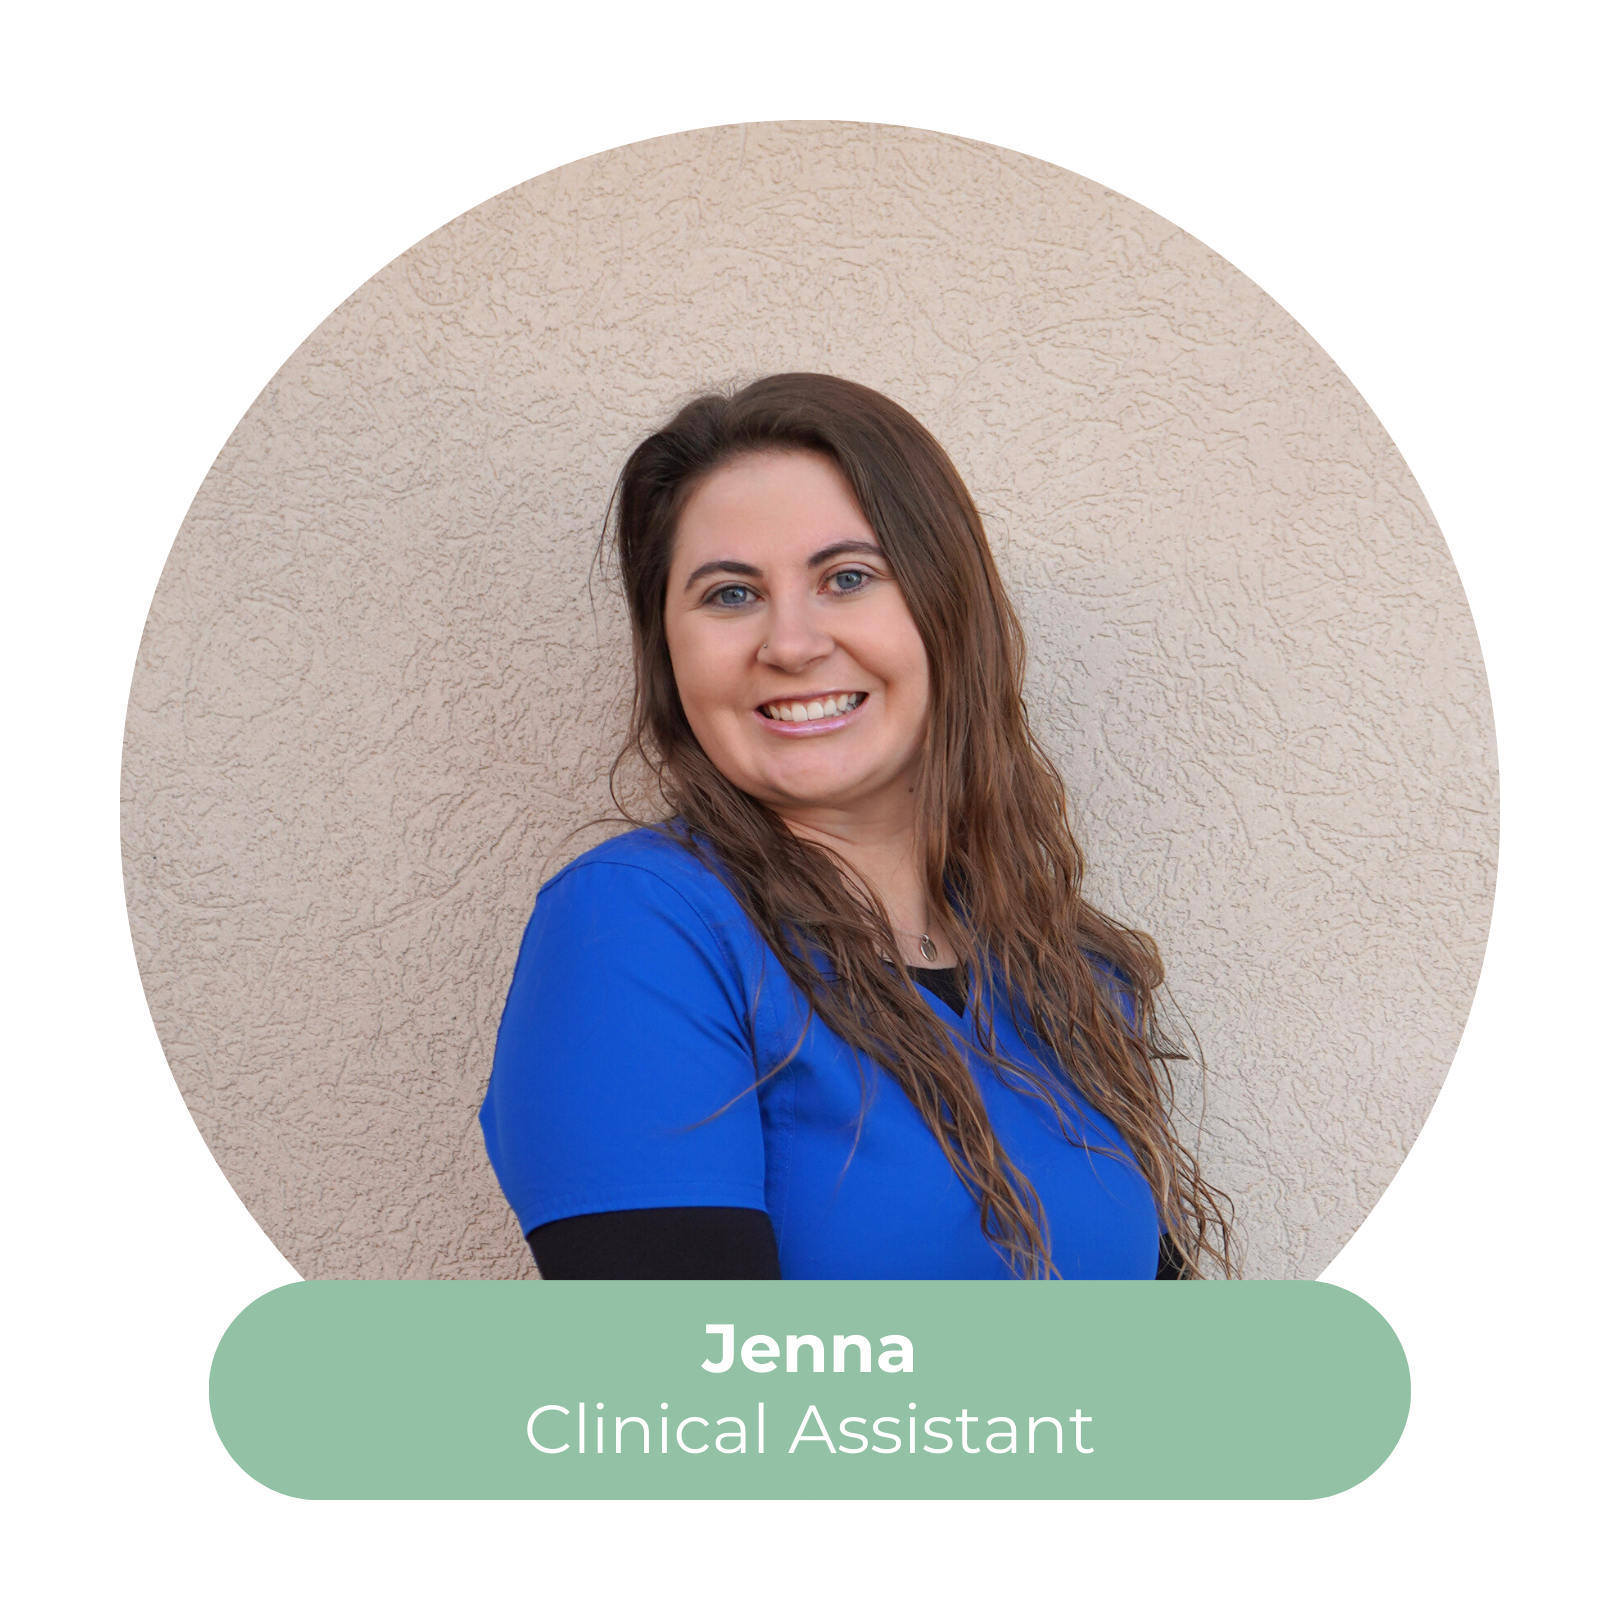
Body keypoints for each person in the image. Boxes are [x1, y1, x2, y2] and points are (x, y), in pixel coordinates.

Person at [479, 374, 1235, 1281]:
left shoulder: (1067, 971)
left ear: (947, 611)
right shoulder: (638, 928)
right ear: (668, 649)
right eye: (729, 594)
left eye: (847, 578)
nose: (790, 644)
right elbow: (692, 1396)